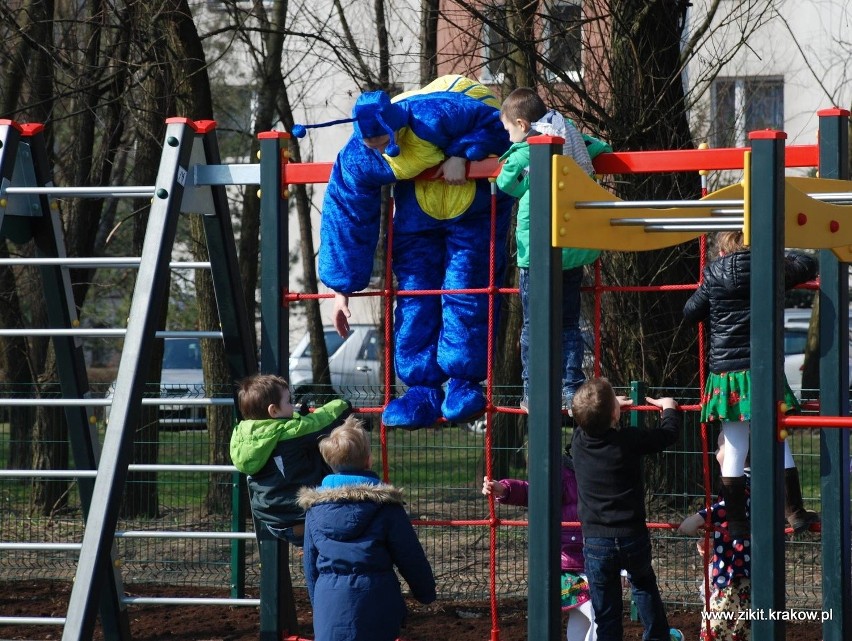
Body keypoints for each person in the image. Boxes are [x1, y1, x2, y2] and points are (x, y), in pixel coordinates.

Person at [292, 75, 514, 429]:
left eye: (382, 142)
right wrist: (341, 288)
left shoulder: (437, 115)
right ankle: (421, 388)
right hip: (418, 214)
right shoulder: (362, 153)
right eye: (371, 144)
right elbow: (347, 207)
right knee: (413, 293)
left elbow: (499, 127)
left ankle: (463, 382)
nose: (377, 150)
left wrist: (463, 153)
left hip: (475, 208)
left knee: (467, 287)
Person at [683, 230, 819, 537]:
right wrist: (776, 255)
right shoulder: (770, 269)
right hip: (762, 368)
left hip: (727, 373)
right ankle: (795, 512)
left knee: (733, 446)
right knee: (776, 438)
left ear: (722, 251)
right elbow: (808, 263)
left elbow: (690, 311)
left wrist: (712, 292)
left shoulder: (714, 273)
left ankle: (736, 521)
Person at [496, 87, 600, 413]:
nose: (508, 137)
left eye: (508, 130)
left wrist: (511, 158)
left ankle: (533, 390)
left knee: (533, 324)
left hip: (538, 253)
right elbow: (599, 147)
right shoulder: (567, 133)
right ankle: (571, 390)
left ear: (523, 124)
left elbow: (506, 183)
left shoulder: (529, 151)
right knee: (569, 323)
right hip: (572, 249)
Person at [298, 417, 436, 641]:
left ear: (329, 463)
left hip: (329, 601)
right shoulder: (385, 507)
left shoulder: (315, 510)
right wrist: (425, 592)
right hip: (376, 600)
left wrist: (319, 603)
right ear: (369, 460)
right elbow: (409, 554)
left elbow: (310, 564)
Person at [570, 377, 683, 641]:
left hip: (596, 540)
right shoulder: (628, 440)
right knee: (643, 585)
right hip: (632, 535)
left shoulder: (578, 442)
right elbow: (667, 435)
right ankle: (657, 636)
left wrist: (607, 409)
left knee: (605, 609)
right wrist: (669, 409)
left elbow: (584, 418)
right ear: (614, 413)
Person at [482, 448, 597, 641]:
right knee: (599, 612)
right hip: (566, 565)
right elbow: (533, 491)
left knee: (583, 618)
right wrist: (505, 489)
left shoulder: (598, 473)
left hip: (588, 561)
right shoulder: (563, 474)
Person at [228, 374, 351, 546]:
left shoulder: (242, 434)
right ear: (273, 411)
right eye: (288, 402)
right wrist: (344, 405)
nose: (292, 406)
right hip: (298, 516)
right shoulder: (289, 432)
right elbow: (322, 421)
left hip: (271, 520)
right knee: (347, 531)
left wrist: (298, 416)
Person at [678, 433, 751, 641]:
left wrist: (698, 518)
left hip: (734, 573)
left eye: (721, 446)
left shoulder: (744, 482)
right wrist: (714, 539)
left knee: (717, 628)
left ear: (740, 450)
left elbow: (730, 506)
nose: (716, 452)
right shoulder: (746, 480)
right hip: (734, 567)